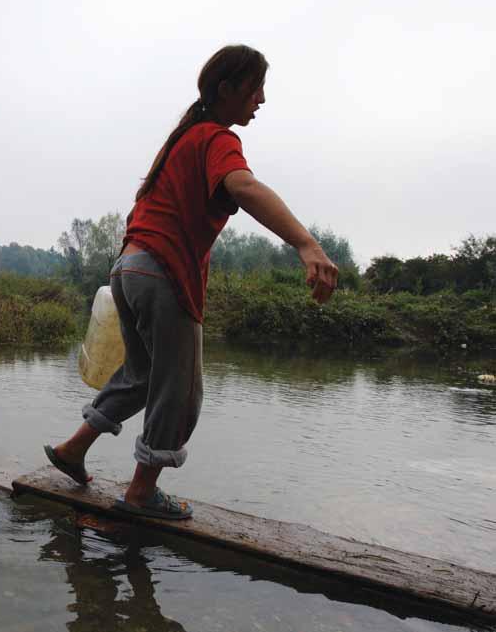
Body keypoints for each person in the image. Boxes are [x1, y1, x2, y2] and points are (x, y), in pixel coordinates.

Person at [44, 44, 339, 520]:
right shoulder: (215, 137)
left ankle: (73, 449)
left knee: (142, 378)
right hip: (162, 270)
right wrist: (306, 244)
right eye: (254, 88)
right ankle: (141, 494)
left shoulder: (181, 140)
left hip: (128, 268)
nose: (261, 99)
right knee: (180, 390)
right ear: (227, 91)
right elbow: (243, 188)